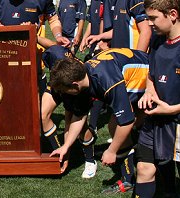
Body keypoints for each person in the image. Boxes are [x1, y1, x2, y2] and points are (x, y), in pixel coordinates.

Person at [49, 48, 149, 191]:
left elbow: (127, 121)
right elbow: (79, 115)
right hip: (130, 76)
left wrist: (112, 150)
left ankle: (139, 174)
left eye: (64, 91)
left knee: (120, 126)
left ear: (74, 85)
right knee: (117, 127)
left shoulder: (106, 80)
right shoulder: (83, 76)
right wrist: (66, 146)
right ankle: (129, 177)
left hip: (149, 76)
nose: (63, 94)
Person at [134, 0, 180, 197]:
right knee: (144, 169)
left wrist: (172, 109)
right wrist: (148, 91)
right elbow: (151, 74)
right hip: (155, 118)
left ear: (172, 14)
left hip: (177, 120)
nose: (149, 23)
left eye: (153, 18)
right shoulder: (157, 39)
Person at [0, 0, 70, 96]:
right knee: (4, 91)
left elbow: (53, 18)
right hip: (2, 53)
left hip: (29, 54)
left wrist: (58, 36)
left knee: (31, 93)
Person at [41, 45, 98, 177]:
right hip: (59, 83)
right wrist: (36, 36)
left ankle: (90, 160)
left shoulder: (79, 87)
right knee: (43, 114)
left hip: (72, 90)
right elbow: (51, 45)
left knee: (78, 126)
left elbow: (68, 123)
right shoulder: (55, 52)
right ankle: (58, 152)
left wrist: (67, 149)